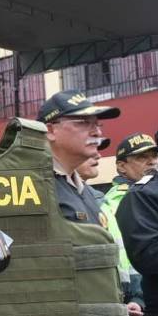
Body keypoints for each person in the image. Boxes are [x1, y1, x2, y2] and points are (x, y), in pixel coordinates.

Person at [37, 88, 118, 224]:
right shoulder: (33, 185)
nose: (97, 132)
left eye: (97, 124)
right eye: (83, 122)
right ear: (50, 130)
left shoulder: (85, 190)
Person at [102, 132, 156, 316]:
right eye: (142, 157)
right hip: (133, 292)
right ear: (121, 166)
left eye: (154, 155)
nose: (151, 161)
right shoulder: (114, 201)